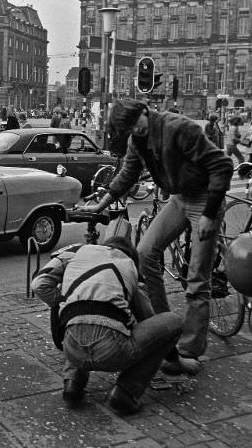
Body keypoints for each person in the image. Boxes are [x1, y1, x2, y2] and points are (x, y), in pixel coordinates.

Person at [78, 98, 233, 376]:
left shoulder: (179, 128)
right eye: (128, 129)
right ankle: (165, 325)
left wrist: (210, 213)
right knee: (145, 252)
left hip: (205, 199)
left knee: (197, 278)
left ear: (145, 111)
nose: (135, 131)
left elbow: (222, 166)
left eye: (136, 124)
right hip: (179, 198)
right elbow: (129, 172)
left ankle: (189, 348)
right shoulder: (136, 140)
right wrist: (103, 202)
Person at [32, 236, 182, 414]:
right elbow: (150, 321)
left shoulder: (76, 252)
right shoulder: (130, 266)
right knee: (174, 321)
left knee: (77, 309)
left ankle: (73, 383)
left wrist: (64, 303)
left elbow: (39, 284)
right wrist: (175, 359)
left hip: (72, 350)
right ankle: (125, 392)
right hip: (113, 352)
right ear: (131, 257)